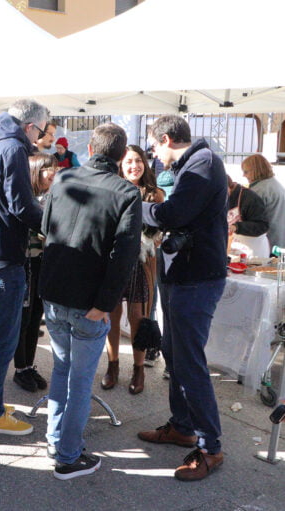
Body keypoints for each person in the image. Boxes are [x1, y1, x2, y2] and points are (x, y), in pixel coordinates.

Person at [39, 123, 141, 480]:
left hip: (55, 294)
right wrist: (104, 304)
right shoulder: (125, 192)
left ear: (93, 147)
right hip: (85, 302)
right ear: (119, 154)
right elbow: (124, 257)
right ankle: (66, 455)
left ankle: (57, 442)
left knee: (64, 371)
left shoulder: (63, 180)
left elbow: (47, 228)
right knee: (77, 378)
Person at [137, 115, 228, 482]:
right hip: (182, 275)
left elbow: (171, 214)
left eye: (154, 146)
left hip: (196, 280)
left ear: (167, 138)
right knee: (176, 356)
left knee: (189, 363)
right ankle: (183, 426)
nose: (154, 156)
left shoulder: (202, 164)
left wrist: (131, 203)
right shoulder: (195, 164)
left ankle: (211, 448)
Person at [0, 98, 47, 435]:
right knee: (3, 340)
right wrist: (53, 222)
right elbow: (20, 205)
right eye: (40, 133)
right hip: (5, 257)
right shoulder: (13, 148)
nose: (38, 141)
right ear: (29, 126)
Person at [101, 145, 165, 395]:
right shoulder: (111, 189)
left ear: (145, 163)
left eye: (138, 160)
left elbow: (160, 230)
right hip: (116, 261)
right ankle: (112, 366)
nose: (134, 166)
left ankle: (138, 369)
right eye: (128, 161)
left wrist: (149, 239)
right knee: (112, 315)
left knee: (138, 317)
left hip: (141, 263)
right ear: (120, 164)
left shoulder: (154, 194)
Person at [13, 154, 57, 393]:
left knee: (35, 318)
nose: (52, 173)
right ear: (34, 172)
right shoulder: (26, 199)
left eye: (54, 168)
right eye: (47, 169)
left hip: (43, 264)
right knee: (24, 318)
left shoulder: (52, 196)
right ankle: (20, 369)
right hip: (25, 265)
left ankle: (29, 365)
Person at [242, 154, 285, 249]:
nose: (243, 175)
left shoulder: (259, 191)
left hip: (267, 243)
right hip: (279, 240)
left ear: (255, 171)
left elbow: (251, 222)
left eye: (246, 172)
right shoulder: (275, 184)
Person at [227, 175, 270, 258]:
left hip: (254, 250)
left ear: (229, 186)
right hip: (235, 249)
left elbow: (262, 226)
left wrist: (236, 227)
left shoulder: (250, 198)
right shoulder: (222, 199)